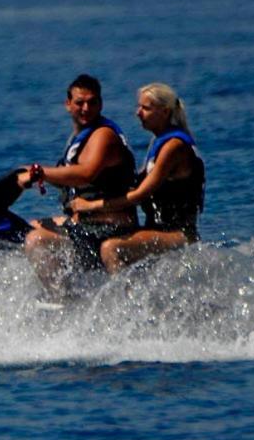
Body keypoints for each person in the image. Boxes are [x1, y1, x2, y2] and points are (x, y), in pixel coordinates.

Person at [16, 74, 137, 294]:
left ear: (100, 104)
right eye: (80, 103)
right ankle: (61, 289)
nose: (85, 108)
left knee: (36, 241)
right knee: (23, 227)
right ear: (68, 105)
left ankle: (62, 301)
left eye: (92, 102)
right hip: (87, 226)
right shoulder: (79, 137)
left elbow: (85, 174)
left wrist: (38, 172)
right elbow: (68, 180)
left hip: (109, 229)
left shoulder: (104, 136)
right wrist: (33, 174)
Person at [68, 82, 205, 272]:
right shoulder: (158, 142)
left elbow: (140, 194)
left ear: (165, 112)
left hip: (179, 234)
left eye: (146, 108)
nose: (138, 113)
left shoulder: (174, 147)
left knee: (111, 248)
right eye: (138, 106)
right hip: (154, 230)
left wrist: (91, 205)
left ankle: (124, 301)